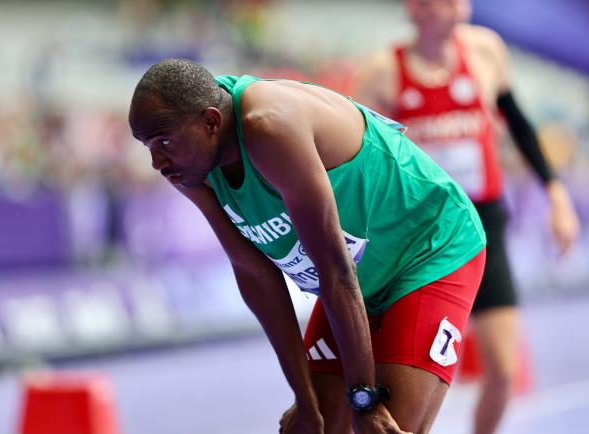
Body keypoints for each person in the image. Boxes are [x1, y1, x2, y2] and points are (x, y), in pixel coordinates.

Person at [129, 58, 487, 434]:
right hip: (357, 276)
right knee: (318, 425)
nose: (157, 161)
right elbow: (255, 274)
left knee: (386, 427)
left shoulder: (268, 128)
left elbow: (334, 269)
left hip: (427, 247)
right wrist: (304, 398)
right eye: (147, 146)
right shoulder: (189, 162)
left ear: (211, 122)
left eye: (163, 142)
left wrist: (363, 398)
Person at [353, 1, 581, 433]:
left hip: (482, 223)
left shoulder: (485, 51)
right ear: (417, 8)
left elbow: (519, 123)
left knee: (504, 371)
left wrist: (556, 196)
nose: (462, 5)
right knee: (408, 381)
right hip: (420, 233)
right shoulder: (382, 72)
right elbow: (363, 159)